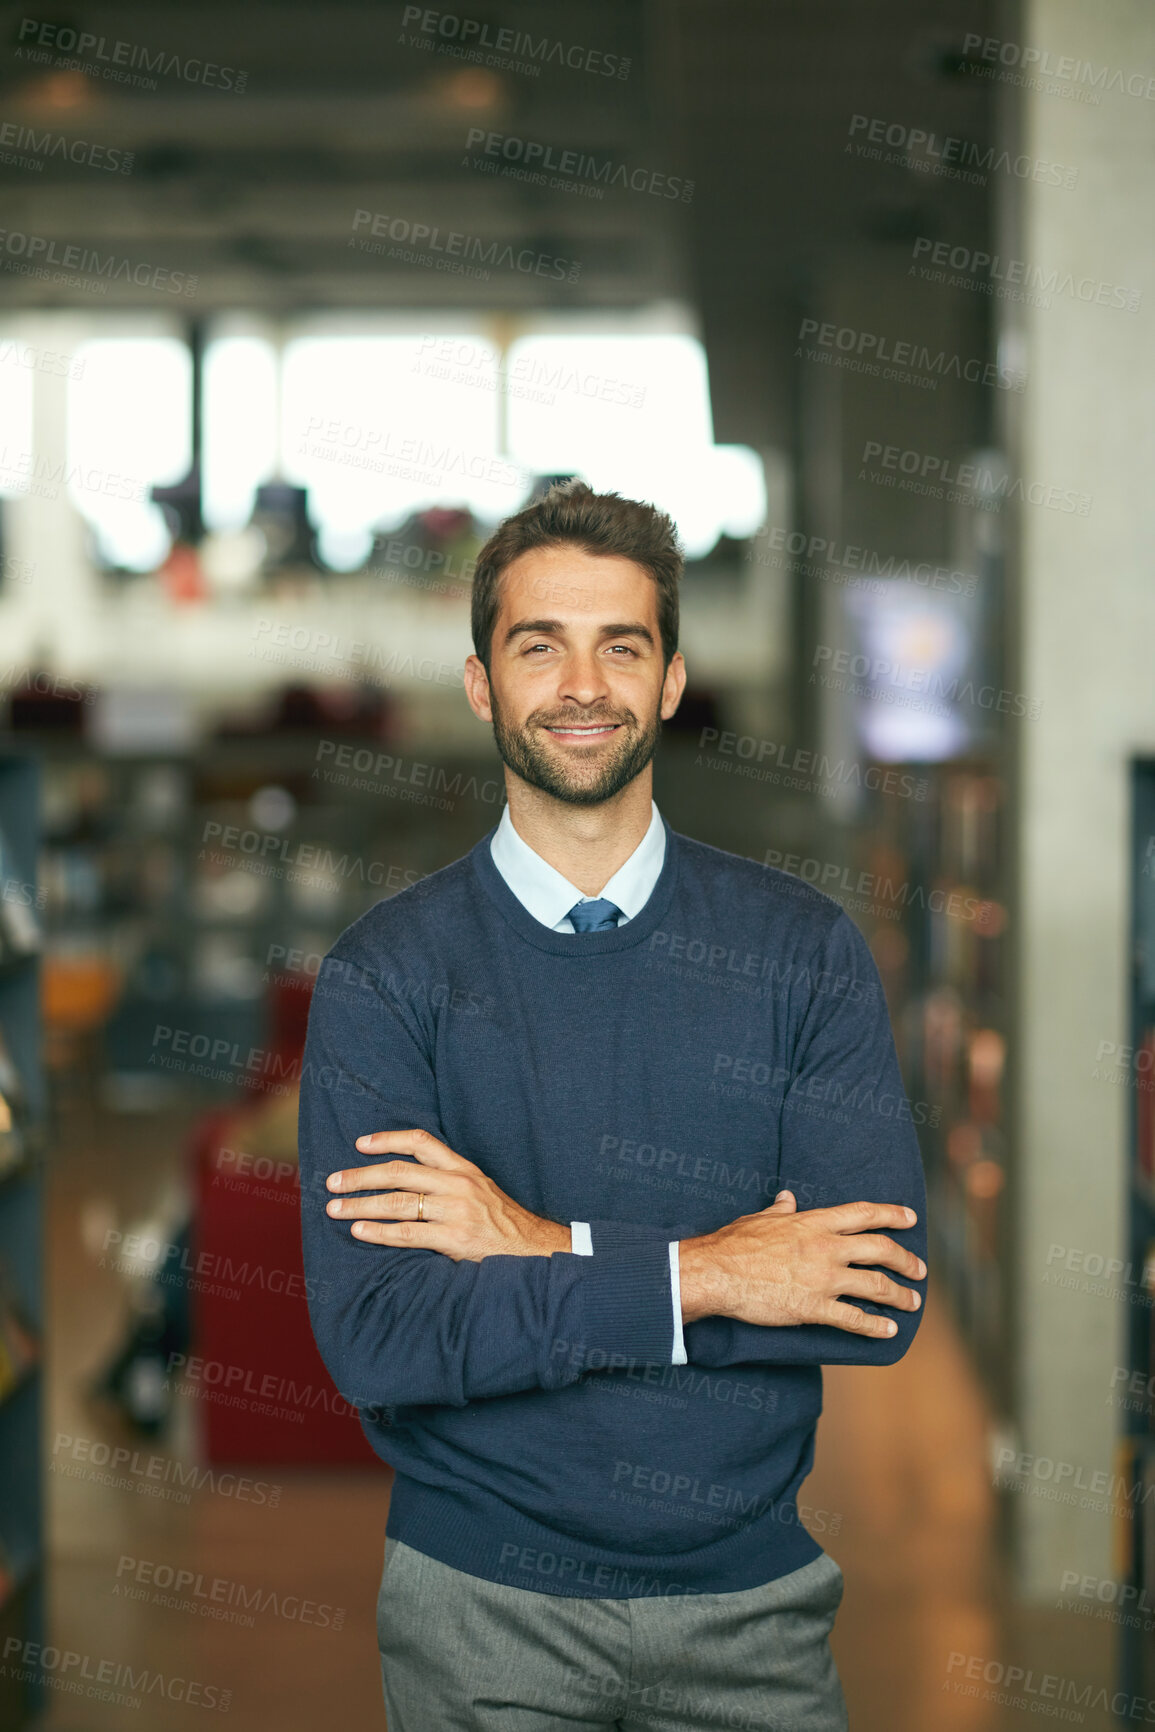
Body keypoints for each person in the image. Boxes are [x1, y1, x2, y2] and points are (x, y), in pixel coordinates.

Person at [297, 481, 928, 1730]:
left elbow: (873, 1300)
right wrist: (723, 1273)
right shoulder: (386, 975)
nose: (583, 684)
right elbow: (381, 1338)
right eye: (541, 646)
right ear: (481, 683)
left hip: (751, 1606)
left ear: (672, 680)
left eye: (620, 647)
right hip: (479, 1604)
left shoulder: (800, 951)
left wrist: (534, 1246)